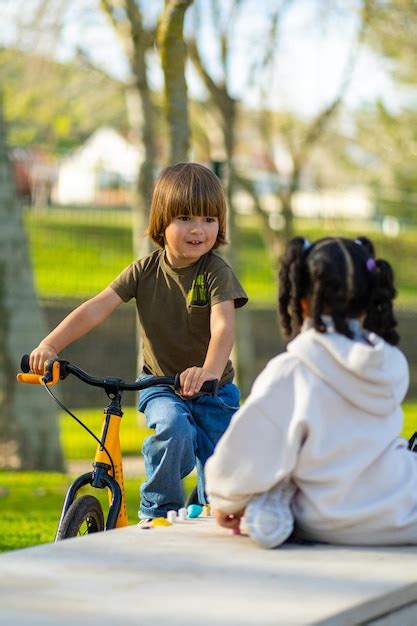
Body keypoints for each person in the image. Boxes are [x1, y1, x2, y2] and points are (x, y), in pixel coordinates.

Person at [30, 162, 248, 521]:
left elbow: (223, 327)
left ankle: (216, 510)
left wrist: (207, 372)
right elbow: (94, 309)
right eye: (186, 218)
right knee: (172, 427)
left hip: (214, 390)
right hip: (160, 384)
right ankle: (158, 512)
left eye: (209, 219)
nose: (198, 229)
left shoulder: (215, 272)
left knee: (222, 472)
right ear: (162, 221)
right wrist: (50, 346)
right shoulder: (144, 271)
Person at [205, 235, 417, 548]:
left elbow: (243, 455)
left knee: (275, 483)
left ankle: (272, 502)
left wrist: (227, 499)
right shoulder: (387, 365)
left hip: (329, 518)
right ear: (367, 300)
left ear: (301, 298)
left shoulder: (293, 371)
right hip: (402, 510)